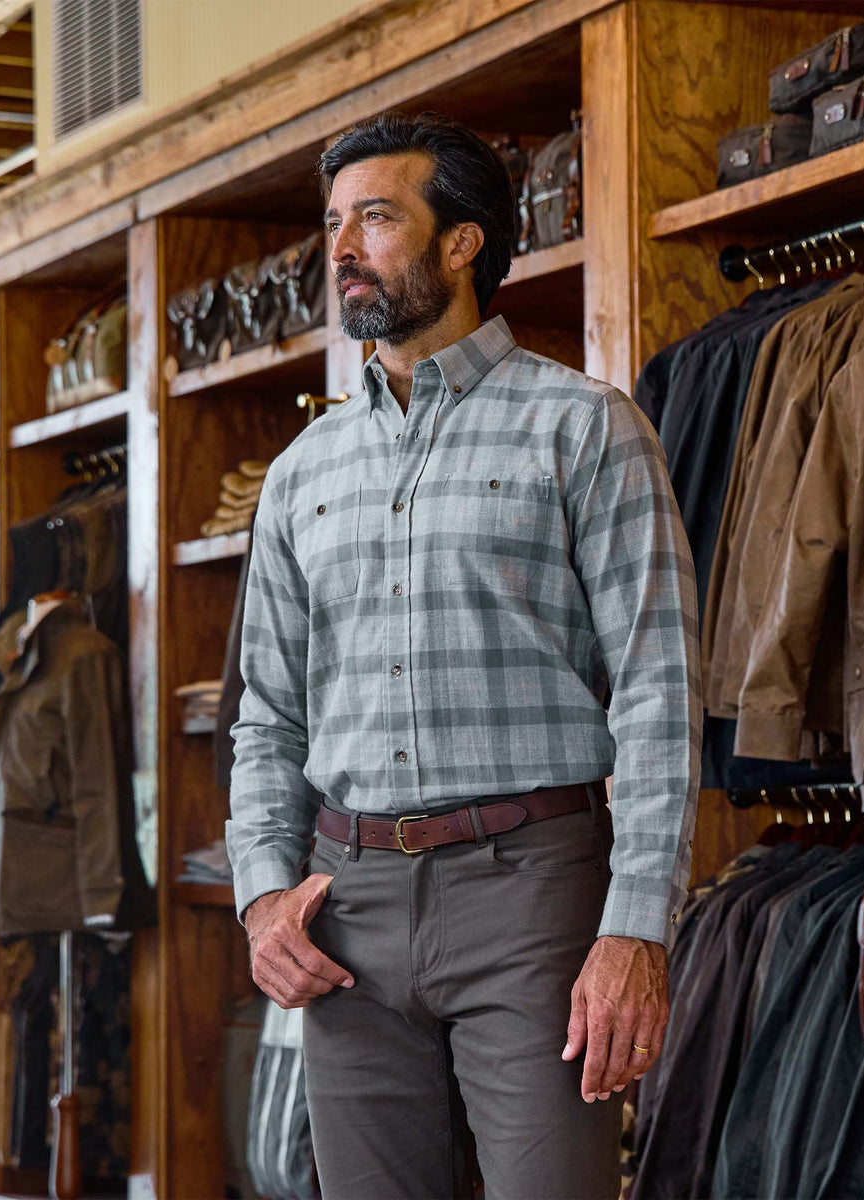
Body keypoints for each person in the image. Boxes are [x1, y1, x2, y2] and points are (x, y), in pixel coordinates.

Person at [225, 110, 701, 1199]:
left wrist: (636, 930)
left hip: (532, 897)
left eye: (377, 218)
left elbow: (660, 698)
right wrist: (261, 893)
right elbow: (266, 717)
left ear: (462, 242)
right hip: (344, 905)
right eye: (334, 223)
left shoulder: (586, 429)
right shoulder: (300, 473)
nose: (342, 248)